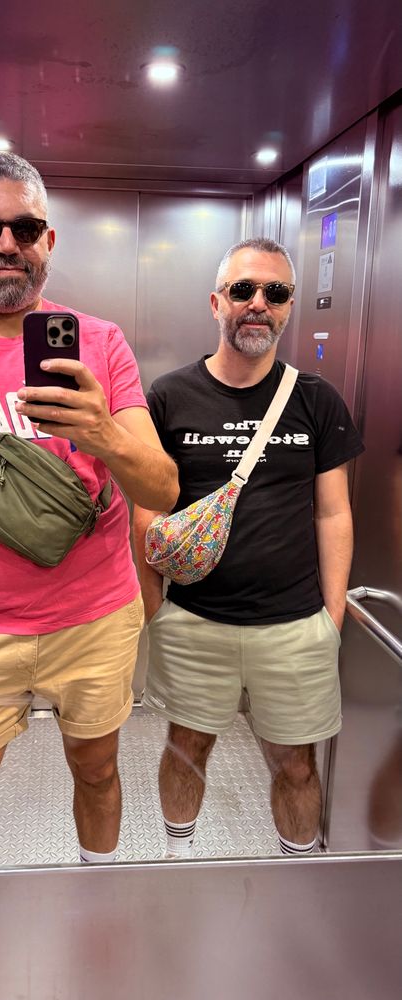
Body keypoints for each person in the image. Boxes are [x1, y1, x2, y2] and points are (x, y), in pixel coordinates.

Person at [0, 151, 178, 867]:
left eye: (26, 228)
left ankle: (96, 900)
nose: (6, 245)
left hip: (93, 621)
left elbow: (163, 490)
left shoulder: (100, 345)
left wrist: (100, 431)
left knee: (98, 773)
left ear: (48, 242)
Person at [133, 237, 364, 858]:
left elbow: (333, 512)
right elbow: (147, 509)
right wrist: (156, 607)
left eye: (276, 292)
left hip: (294, 626)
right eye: (243, 290)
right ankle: (178, 858)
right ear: (217, 302)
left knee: (296, 766)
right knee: (186, 751)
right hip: (195, 621)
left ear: (288, 308)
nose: (258, 303)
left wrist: (333, 615)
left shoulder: (317, 400)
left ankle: (299, 872)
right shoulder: (169, 396)